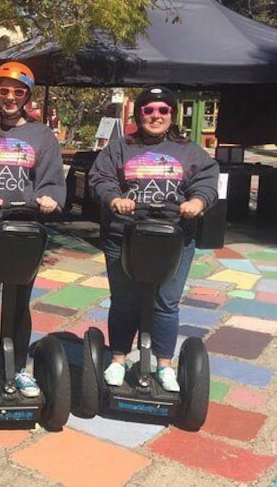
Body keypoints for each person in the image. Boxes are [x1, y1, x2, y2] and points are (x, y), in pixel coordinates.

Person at [88, 86, 218, 392]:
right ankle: (118, 360)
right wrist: (113, 199)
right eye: (148, 110)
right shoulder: (120, 148)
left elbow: (207, 180)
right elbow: (100, 178)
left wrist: (198, 202)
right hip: (125, 236)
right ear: (139, 114)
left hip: (172, 240)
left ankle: (164, 365)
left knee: (165, 302)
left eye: (162, 110)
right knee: (125, 300)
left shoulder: (189, 150)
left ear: (172, 115)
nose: (155, 116)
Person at [0, 61, 66, 398]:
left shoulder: (41, 134)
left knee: (19, 302)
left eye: (17, 91)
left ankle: (19, 367)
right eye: (3, 90)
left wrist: (50, 198)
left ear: (27, 95)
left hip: (24, 231)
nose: (10, 97)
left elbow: (52, 178)